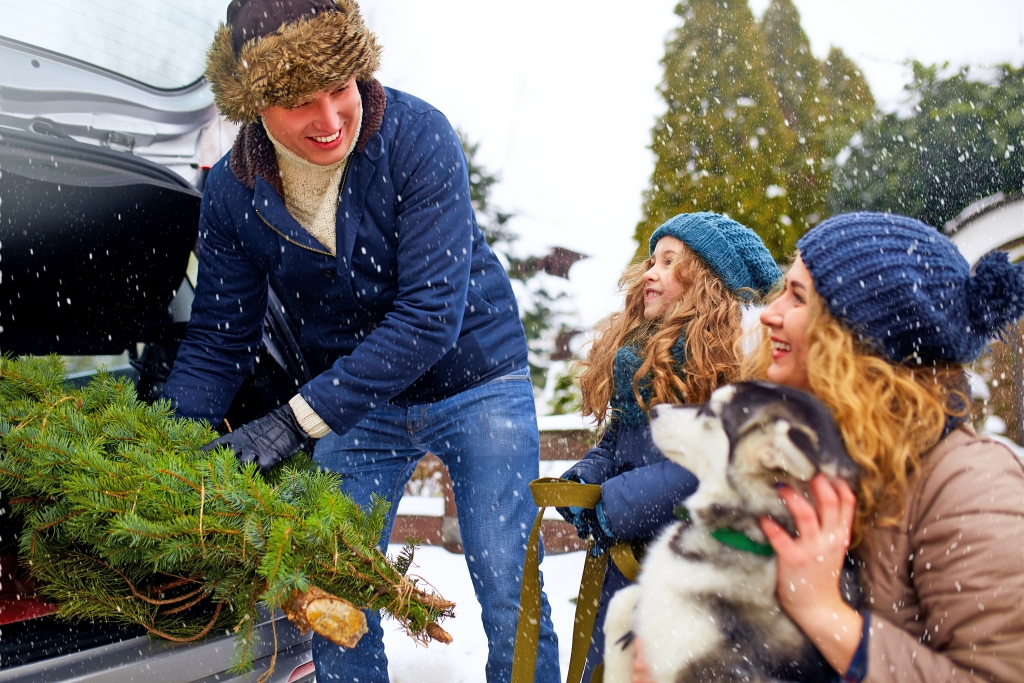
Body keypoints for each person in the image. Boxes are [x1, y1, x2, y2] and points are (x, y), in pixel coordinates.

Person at [160, 1, 560, 681]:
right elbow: (219, 341)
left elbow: (429, 316)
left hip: (474, 377)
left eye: (340, 87)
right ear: (255, 102)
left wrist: (293, 422)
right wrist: (164, 450)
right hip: (358, 403)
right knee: (334, 582)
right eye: (299, 100)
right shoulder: (232, 192)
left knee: (505, 578)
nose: (330, 119)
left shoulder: (418, 136)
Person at [633, 211, 1024, 682]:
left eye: (798, 297)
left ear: (859, 337)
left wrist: (825, 614)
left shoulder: (971, 486)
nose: (770, 313)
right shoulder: (807, 451)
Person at [559, 212, 782, 682]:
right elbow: (620, 436)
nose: (650, 273)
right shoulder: (640, 356)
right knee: (613, 663)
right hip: (627, 554)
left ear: (706, 282)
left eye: (668, 262)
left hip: (690, 559)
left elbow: (711, 465)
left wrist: (617, 504)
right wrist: (587, 477)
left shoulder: (731, 364)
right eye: (651, 261)